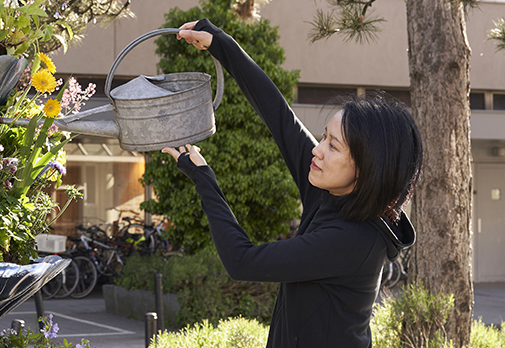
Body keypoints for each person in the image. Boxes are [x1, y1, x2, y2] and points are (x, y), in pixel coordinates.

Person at [162, 18, 423, 348]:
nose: (317, 149)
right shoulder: (330, 190)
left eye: (333, 145)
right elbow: (279, 116)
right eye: (323, 137)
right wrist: (219, 41)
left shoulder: (352, 240)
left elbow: (241, 261)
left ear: (367, 169)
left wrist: (204, 179)